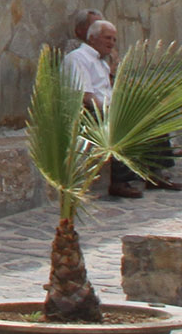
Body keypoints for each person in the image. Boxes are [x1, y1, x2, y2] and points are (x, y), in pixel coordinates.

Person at [64, 19, 150, 199]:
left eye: (114, 40)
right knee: (120, 123)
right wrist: (114, 112)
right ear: (92, 38)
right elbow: (86, 97)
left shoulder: (101, 62)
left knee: (150, 113)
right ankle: (120, 182)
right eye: (107, 38)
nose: (111, 43)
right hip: (86, 113)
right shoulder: (78, 58)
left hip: (104, 108)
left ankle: (157, 171)